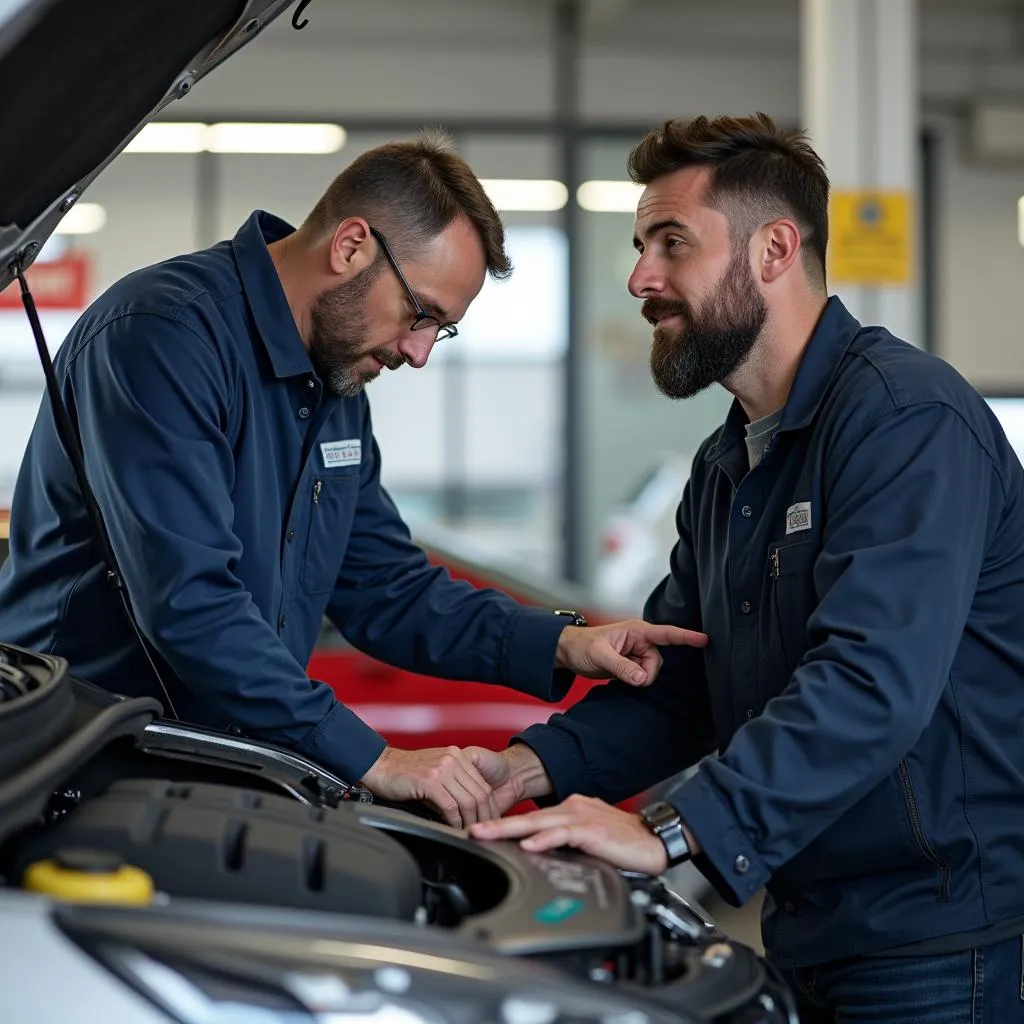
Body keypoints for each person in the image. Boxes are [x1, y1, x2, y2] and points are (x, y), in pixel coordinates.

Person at [469, 113, 1024, 1023]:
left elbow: (870, 683)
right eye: (640, 244)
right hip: (814, 926)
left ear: (774, 248)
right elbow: (681, 682)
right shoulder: (729, 466)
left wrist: (670, 829)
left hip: (939, 942)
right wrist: (529, 770)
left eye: (671, 242)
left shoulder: (907, 422)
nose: (641, 277)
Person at [0, 131, 707, 828]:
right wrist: (375, 759)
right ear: (350, 247)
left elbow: (385, 588)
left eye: (442, 331)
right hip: (73, 774)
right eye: (420, 314)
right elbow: (190, 601)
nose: (419, 352)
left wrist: (564, 642)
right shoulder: (161, 336)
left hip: (210, 776)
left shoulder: (333, 389)